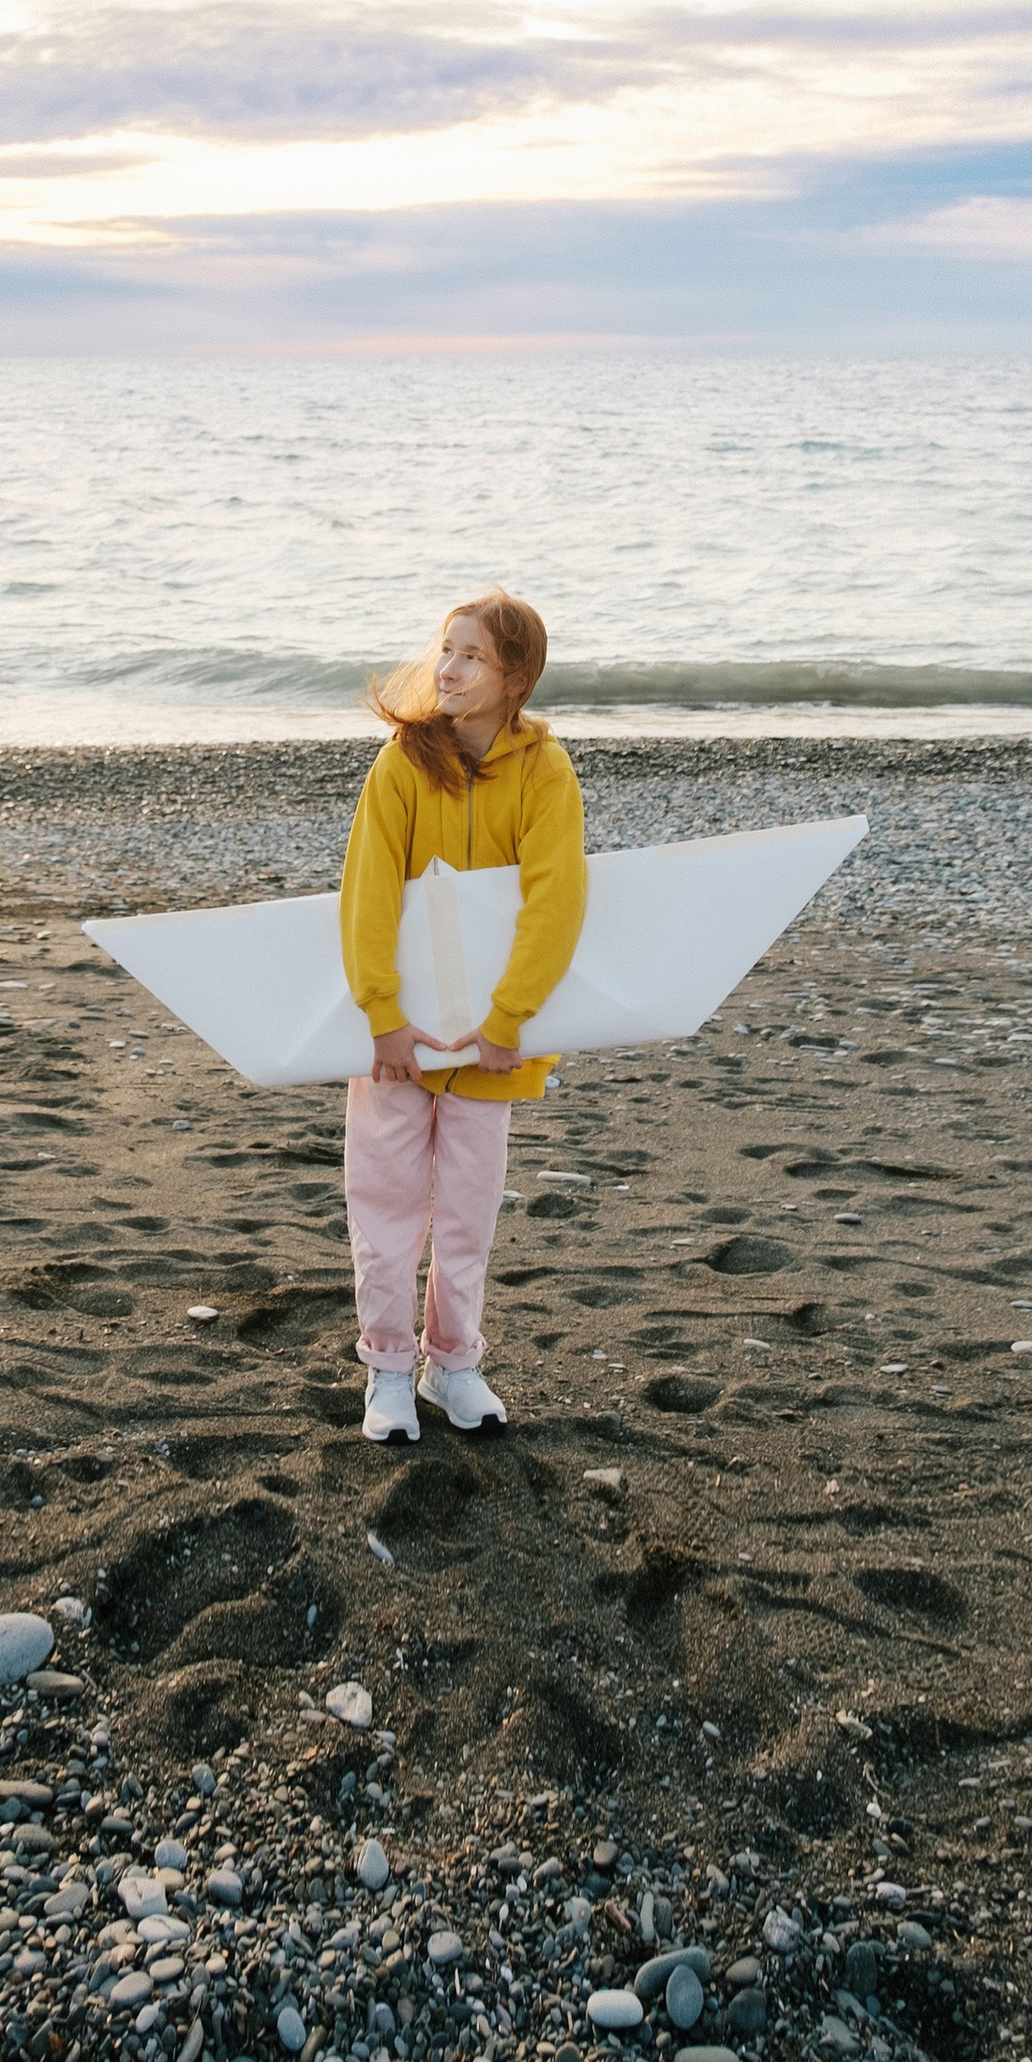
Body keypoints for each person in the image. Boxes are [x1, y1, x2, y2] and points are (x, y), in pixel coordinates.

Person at [338, 592, 586, 1443]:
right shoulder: (403, 765)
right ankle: (389, 1372)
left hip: (493, 1042)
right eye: (446, 650)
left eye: (472, 656)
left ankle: (454, 1365)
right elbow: (368, 894)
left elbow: (556, 900)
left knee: (469, 1211)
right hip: (399, 1039)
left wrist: (512, 1018)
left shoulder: (546, 771)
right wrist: (381, 1016)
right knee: (386, 1203)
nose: (447, 668)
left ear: (515, 677)